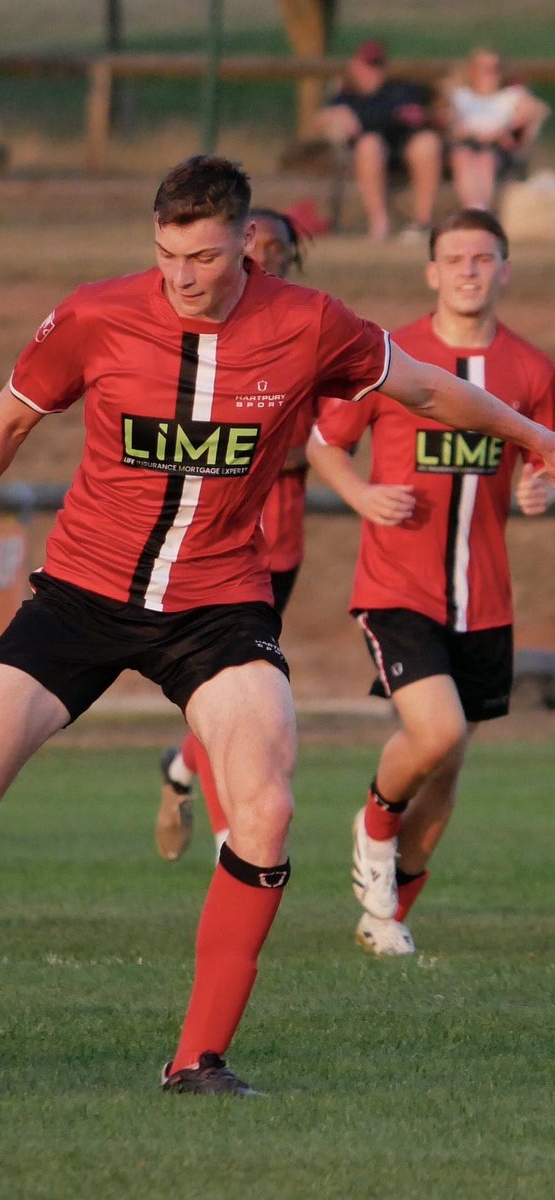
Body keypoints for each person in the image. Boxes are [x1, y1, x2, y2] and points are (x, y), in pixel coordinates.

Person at [0, 157, 555, 1097]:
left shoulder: (309, 321)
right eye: (166, 255)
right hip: (81, 592)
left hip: (218, 606)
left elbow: (429, 392)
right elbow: (6, 424)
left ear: (246, 241)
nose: (182, 276)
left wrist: (537, 438)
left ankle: (198, 1059)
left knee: (268, 812)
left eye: (202, 255)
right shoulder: (96, 314)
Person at [307, 208, 554, 958]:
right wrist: (361, 497)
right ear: (431, 271)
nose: (470, 270)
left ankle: (385, 918)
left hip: (484, 596)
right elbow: (323, 444)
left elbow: (544, 464)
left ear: (505, 269)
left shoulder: (532, 370)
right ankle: (374, 823)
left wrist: (541, 493)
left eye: (484, 258)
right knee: (435, 731)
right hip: (396, 586)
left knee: (447, 775)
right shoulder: (393, 356)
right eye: (455, 258)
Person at [157, 207, 313, 861]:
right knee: (227, 693)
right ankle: (231, 840)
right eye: (262, 245)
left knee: (244, 688)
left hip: (282, 543)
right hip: (217, 547)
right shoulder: (203, 337)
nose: (270, 258)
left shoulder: (306, 330)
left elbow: (318, 444)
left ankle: (178, 770)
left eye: (282, 248)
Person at [312, 38, 444, 241]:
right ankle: (379, 222)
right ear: (355, 66)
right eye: (368, 66)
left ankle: (422, 222)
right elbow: (320, 120)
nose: (373, 71)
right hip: (367, 156)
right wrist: (335, 118)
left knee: (427, 143)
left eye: (377, 65)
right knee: (369, 144)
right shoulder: (345, 96)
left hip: (404, 149)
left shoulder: (401, 91)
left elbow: (436, 109)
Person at [442, 48, 550, 212]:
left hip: (497, 148)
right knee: (461, 157)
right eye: (484, 69)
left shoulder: (511, 95)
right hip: (467, 143)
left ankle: (481, 211)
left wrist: (507, 130)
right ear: (471, 70)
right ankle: (473, 208)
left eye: (495, 68)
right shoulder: (459, 95)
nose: (490, 74)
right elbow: (448, 120)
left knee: (486, 159)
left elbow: (539, 110)